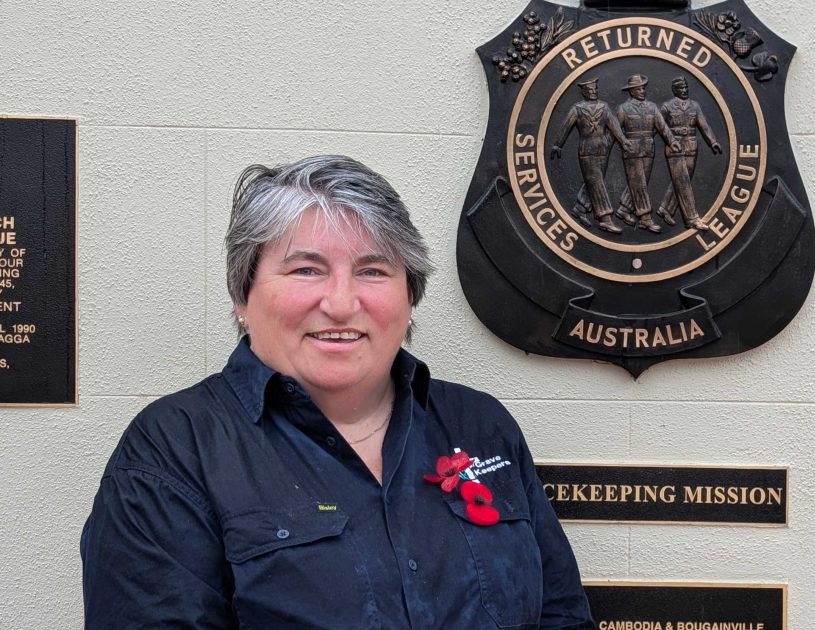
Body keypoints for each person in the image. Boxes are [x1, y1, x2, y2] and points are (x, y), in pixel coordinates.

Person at [80, 155, 595, 629]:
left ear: (409, 296)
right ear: (243, 294)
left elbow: (561, 616)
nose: (342, 302)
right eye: (307, 269)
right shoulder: (174, 451)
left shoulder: (480, 425)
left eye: (372, 271)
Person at [551, 77, 631, 234]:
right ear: (584, 92)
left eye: (595, 89)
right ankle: (605, 219)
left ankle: (580, 208)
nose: (593, 92)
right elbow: (565, 127)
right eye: (590, 90)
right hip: (586, 150)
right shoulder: (578, 109)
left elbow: (613, 125)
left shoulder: (604, 107)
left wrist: (623, 141)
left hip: (602, 149)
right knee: (596, 182)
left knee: (593, 181)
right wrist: (557, 145)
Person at [614, 74, 679, 234]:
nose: (643, 91)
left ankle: (623, 209)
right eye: (639, 89)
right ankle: (645, 218)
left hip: (648, 149)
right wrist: (623, 142)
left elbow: (662, 127)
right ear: (631, 91)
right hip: (632, 150)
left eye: (643, 88)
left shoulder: (652, 107)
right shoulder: (624, 108)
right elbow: (615, 129)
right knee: (640, 184)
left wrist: (672, 141)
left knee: (638, 183)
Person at [656, 77, 722, 231]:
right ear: (675, 90)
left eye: (686, 87)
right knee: (683, 181)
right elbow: (658, 126)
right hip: (675, 147)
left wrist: (712, 142)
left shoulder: (695, 105)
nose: (685, 90)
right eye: (681, 88)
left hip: (691, 146)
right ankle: (692, 218)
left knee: (681, 181)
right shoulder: (667, 106)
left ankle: (665, 208)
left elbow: (704, 125)